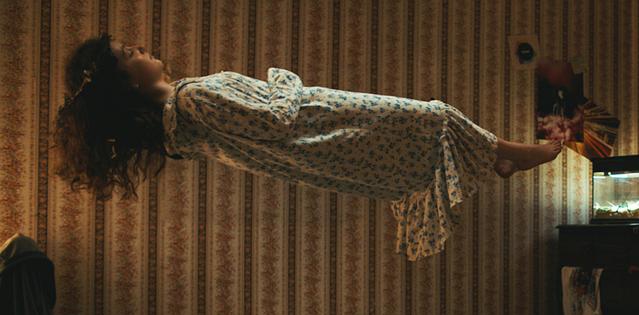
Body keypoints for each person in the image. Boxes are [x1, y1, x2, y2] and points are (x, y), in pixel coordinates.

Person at [54, 34, 562, 261]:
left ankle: (498, 157)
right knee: (434, 117)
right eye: (129, 53)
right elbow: (276, 117)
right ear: (128, 82)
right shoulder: (191, 99)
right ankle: (514, 155)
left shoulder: (178, 132)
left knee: (427, 133)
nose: (141, 48)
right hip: (326, 120)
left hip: (320, 145)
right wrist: (283, 76)